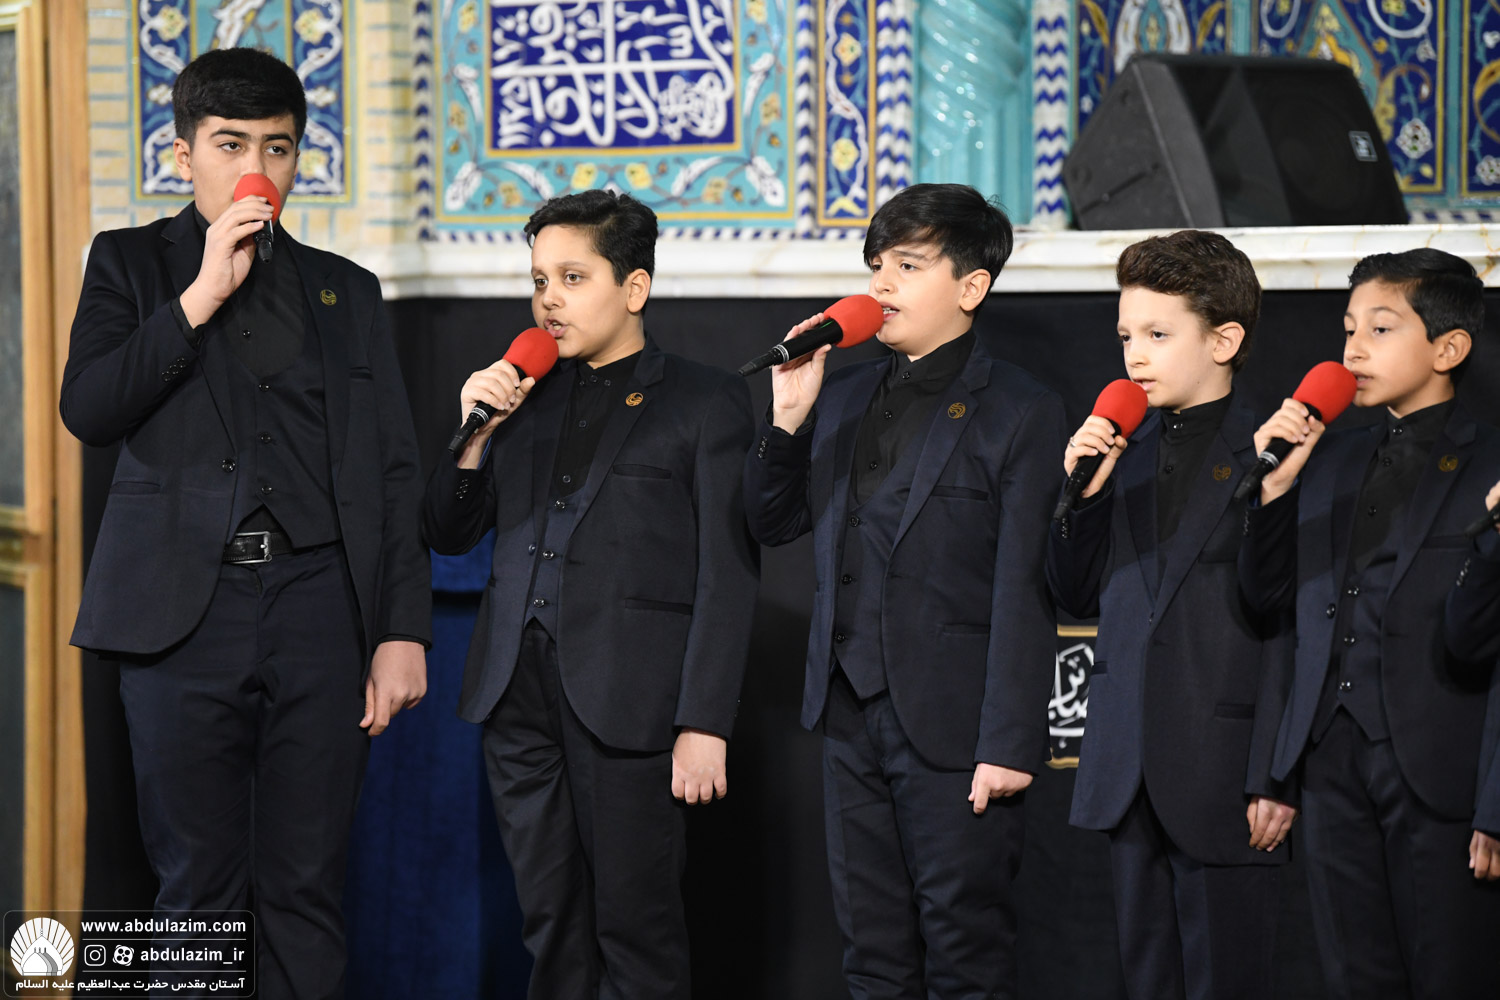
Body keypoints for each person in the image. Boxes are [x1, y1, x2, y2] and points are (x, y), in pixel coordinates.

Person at [58, 48, 429, 999]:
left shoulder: (348, 289)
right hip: (180, 616)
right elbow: (90, 408)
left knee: (306, 888)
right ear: (184, 155)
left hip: (318, 608)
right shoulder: (129, 262)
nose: (256, 168)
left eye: (278, 146)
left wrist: (400, 630)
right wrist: (200, 298)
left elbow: (392, 471)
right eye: (230, 145)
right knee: (196, 894)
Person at [421, 189, 759, 1000]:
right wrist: (473, 436)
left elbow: (728, 571)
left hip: (632, 702)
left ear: (634, 288)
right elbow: (447, 532)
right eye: (540, 280)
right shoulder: (520, 399)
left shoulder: (704, 399)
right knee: (551, 927)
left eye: (573, 278)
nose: (550, 300)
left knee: (637, 933)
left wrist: (704, 720)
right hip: (517, 698)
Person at [742, 183, 1065, 998]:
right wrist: (788, 417)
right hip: (848, 714)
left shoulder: (1020, 409)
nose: (881, 283)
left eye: (908, 265)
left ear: (970, 286)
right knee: (871, 951)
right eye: (877, 264)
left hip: (956, 727)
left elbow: (1026, 584)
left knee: (965, 950)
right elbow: (773, 522)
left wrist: (1008, 741)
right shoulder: (843, 393)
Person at [1240, 248, 1500, 997]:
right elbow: (1271, 608)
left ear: (1449, 348)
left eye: (1380, 329)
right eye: (1349, 328)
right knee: (1353, 975)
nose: (1353, 349)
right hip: (1330, 760)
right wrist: (1273, 495)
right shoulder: (1327, 459)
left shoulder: (1490, 464)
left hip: (1443, 770)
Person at [1047, 231, 1296, 1000]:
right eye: (1127, 336)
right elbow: (1073, 596)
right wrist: (1081, 499)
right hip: (1126, 768)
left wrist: (1274, 772)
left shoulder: (1273, 454)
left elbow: (1285, 622)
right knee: (1146, 977)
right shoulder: (1120, 454)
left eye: (1158, 335)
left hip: (1225, 770)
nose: (1136, 356)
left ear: (1224, 340)